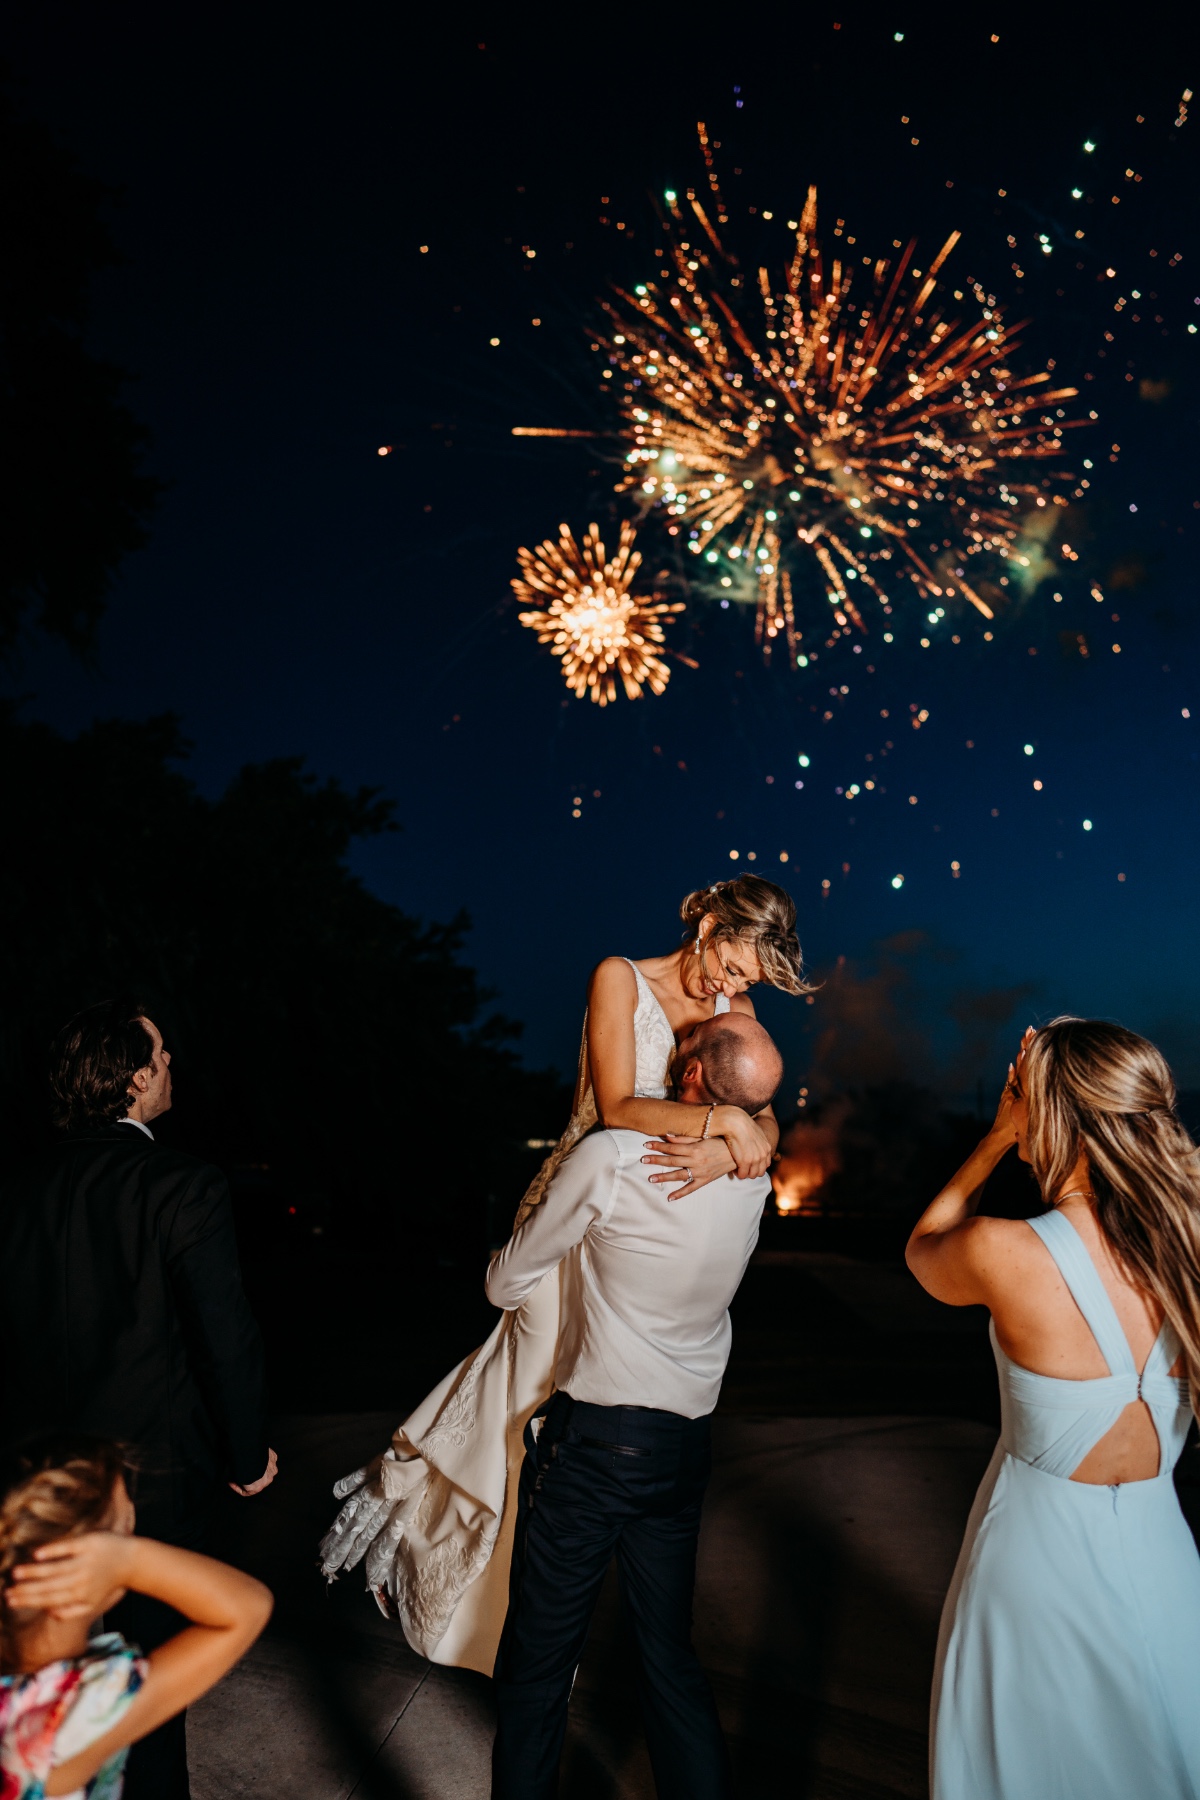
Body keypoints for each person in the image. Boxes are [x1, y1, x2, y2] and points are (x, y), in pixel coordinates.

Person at [319, 876, 809, 1676]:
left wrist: (738, 1138)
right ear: (711, 925)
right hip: (575, 1213)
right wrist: (719, 1123)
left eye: (748, 981)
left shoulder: (736, 1016)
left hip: (643, 1242)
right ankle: (460, 1597)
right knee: (522, 1404)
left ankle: (522, 1635)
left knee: (578, 1426)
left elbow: (765, 1111)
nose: (732, 988)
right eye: (732, 965)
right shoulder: (620, 976)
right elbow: (618, 1109)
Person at [488, 1009, 783, 1799]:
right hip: (682, 1454)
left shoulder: (616, 1157)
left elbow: (504, 1283)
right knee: (670, 1660)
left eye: (686, 1049)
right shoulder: (755, 1179)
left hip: (595, 1451)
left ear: (691, 1080)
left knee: (538, 1667)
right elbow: (754, 1122)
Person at [906, 1018, 1200, 1800]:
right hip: (1165, 1553)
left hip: (1032, 1564)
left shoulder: (1003, 1251)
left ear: (1052, 1114)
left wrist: (997, 1137)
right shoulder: (1188, 1249)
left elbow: (923, 1245)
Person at [0, 999, 277, 1799]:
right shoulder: (181, 1183)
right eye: (158, 1055)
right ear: (131, 1076)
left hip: (27, 1480)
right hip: (146, 1480)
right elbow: (223, 1334)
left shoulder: (14, 1187)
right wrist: (246, 1453)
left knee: (36, 1676)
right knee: (143, 1702)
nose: (167, 1067)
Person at [0, 1431, 272, 1799]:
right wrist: (130, 1560)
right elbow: (247, 1607)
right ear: (74, 1588)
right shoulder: (72, 1717)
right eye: (123, 1531)